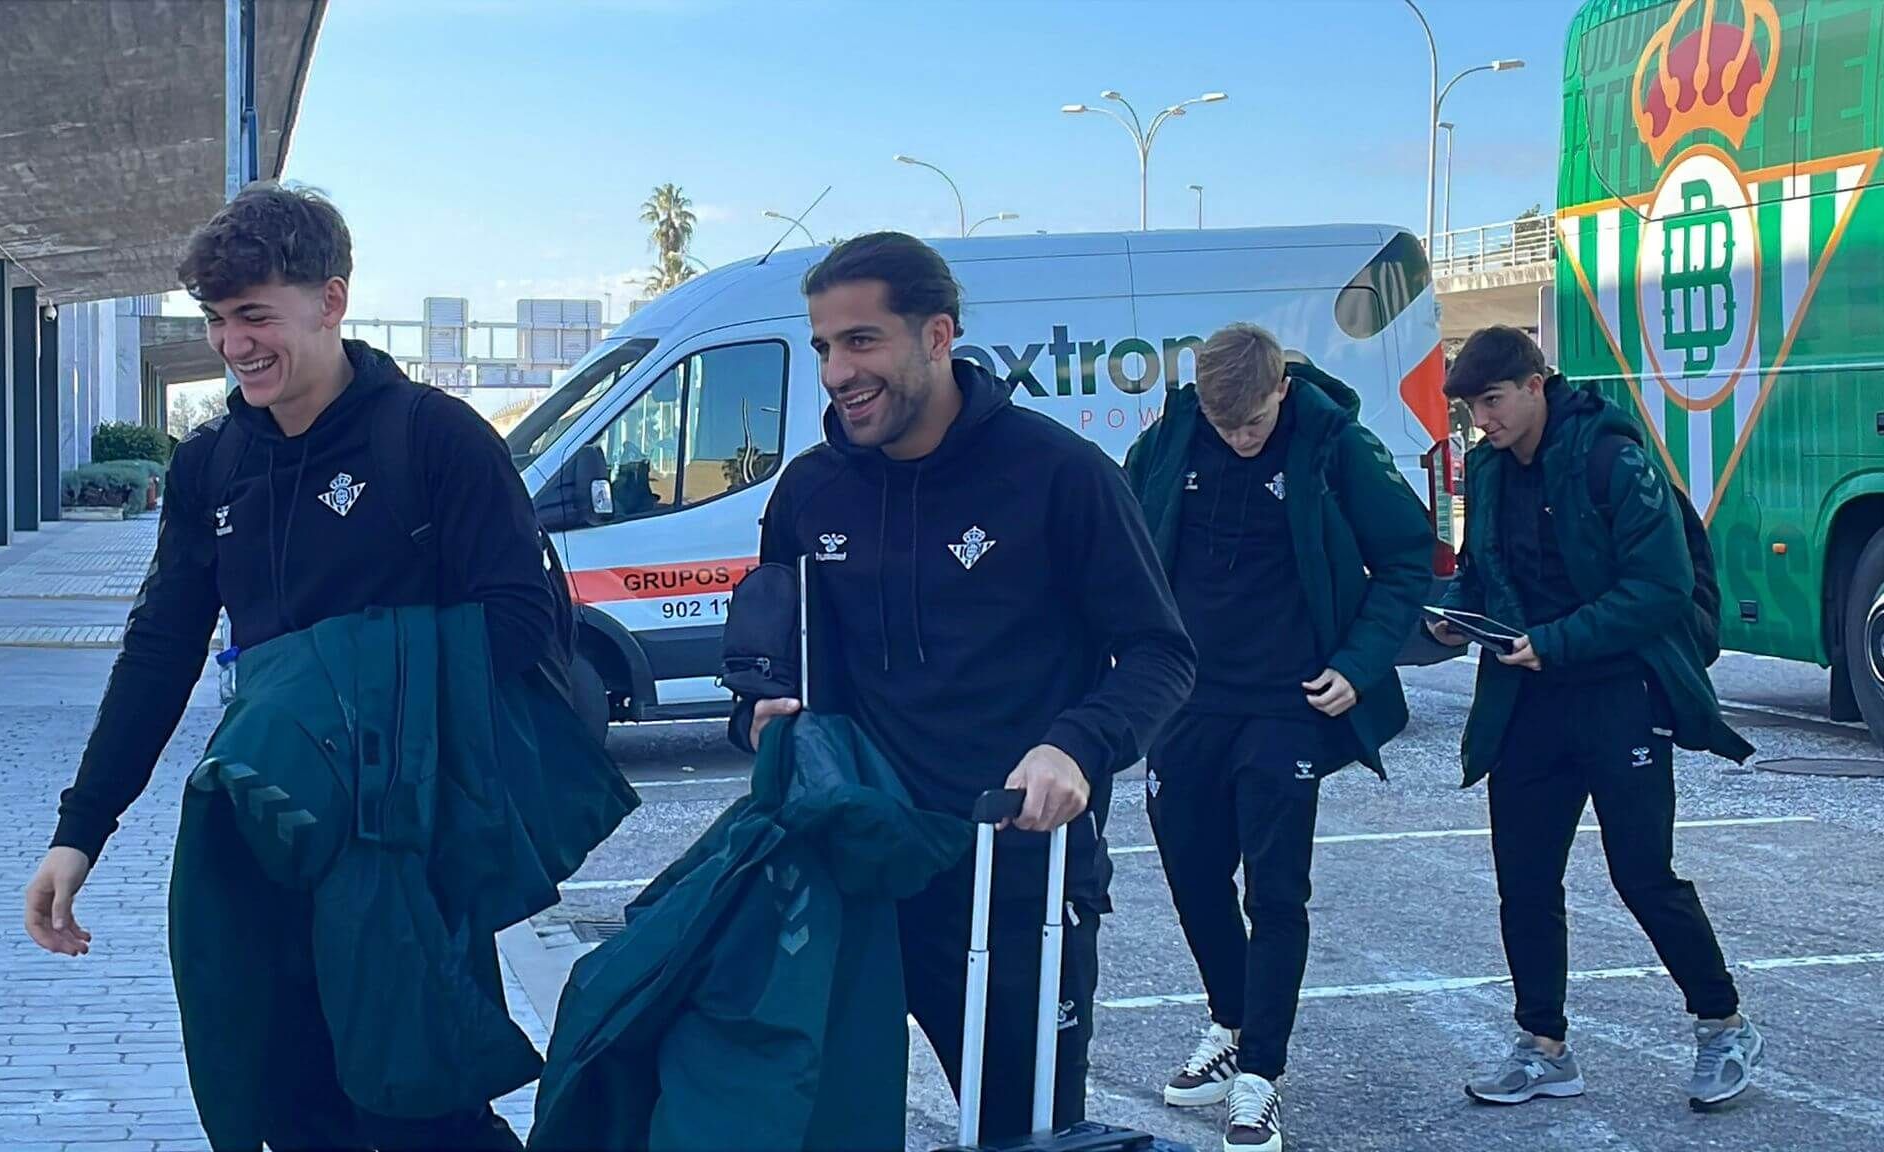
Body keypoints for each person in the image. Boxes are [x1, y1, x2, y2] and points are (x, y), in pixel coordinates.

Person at [21, 183, 573, 1150]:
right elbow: (160, 650)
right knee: (288, 1104)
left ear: (331, 299)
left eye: (255, 316)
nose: (234, 346)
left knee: (421, 1111)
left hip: (403, 844)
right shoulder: (212, 464)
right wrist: (82, 830)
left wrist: (342, 681)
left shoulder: (434, 442)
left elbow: (527, 622)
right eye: (218, 321)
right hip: (266, 834)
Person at [730, 231, 1196, 1143]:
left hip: (1010, 878)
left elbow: (1160, 655)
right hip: (854, 870)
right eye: (824, 345)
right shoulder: (810, 493)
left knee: (1018, 1129)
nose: (835, 371)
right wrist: (763, 708)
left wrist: (1077, 746)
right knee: (821, 1122)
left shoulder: (1059, 477)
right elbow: (776, 653)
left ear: (938, 335)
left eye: (861, 340)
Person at [1122, 324, 1435, 1152]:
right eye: (1227, 427)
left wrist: (1360, 665)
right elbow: (1122, 546)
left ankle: (1262, 1071)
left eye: (1253, 424)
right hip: (1186, 702)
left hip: (1288, 702)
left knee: (1275, 890)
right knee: (1191, 873)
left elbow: (1409, 560)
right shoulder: (1171, 440)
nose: (1240, 438)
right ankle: (1230, 1021)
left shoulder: (1335, 444)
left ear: (1282, 389)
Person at [1431, 326, 1760, 1112]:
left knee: (1642, 875)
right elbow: (1484, 572)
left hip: (1620, 694)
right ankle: (1543, 1047)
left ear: (1536, 384)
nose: (1483, 420)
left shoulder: (1614, 458)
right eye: (1472, 408)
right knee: (1525, 881)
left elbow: (1660, 588)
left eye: (1493, 400)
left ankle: (1722, 1024)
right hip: (1528, 700)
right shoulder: (1488, 468)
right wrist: (1454, 613)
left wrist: (1556, 643)